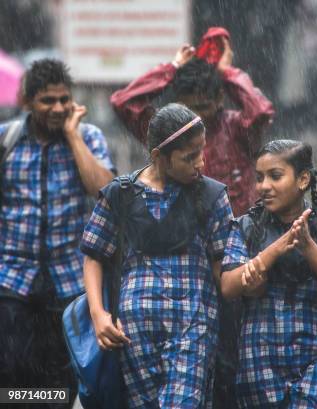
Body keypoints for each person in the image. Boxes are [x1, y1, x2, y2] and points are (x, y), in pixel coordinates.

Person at [81, 103, 233, 408]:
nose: (200, 163)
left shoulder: (212, 196)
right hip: (133, 334)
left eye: (201, 152)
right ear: (158, 158)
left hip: (194, 327)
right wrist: (98, 315)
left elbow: (224, 268)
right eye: (189, 157)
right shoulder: (120, 195)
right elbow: (94, 256)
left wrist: (250, 275)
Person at [0, 59, 115, 406]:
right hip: (11, 282)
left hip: (69, 284)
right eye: (48, 100)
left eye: (64, 99)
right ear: (29, 102)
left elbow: (105, 193)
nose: (59, 107)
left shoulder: (88, 136)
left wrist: (72, 136)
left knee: (62, 384)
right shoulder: (7, 140)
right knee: (11, 379)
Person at [220, 139, 317, 408]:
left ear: (303, 179)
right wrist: (275, 251)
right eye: (259, 178)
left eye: (275, 176)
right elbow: (228, 285)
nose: (264, 186)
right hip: (260, 364)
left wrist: (307, 246)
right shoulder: (246, 227)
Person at [110, 36, 274, 217]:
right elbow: (123, 102)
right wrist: (171, 68)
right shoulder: (167, 130)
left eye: (203, 107)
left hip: (235, 235)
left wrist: (227, 72)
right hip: (179, 237)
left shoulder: (237, 128)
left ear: (219, 98)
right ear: (179, 102)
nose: (198, 117)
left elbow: (260, 111)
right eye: (190, 109)